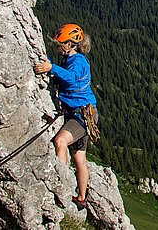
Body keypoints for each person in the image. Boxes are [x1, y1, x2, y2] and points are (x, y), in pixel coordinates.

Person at [33, 23, 99, 210]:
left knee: (60, 142)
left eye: (61, 44)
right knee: (79, 159)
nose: (58, 47)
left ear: (71, 44)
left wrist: (51, 68)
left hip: (80, 117)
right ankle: (81, 197)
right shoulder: (71, 59)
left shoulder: (77, 62)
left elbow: (71, 78)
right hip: (84, 115)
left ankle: (60, 185)